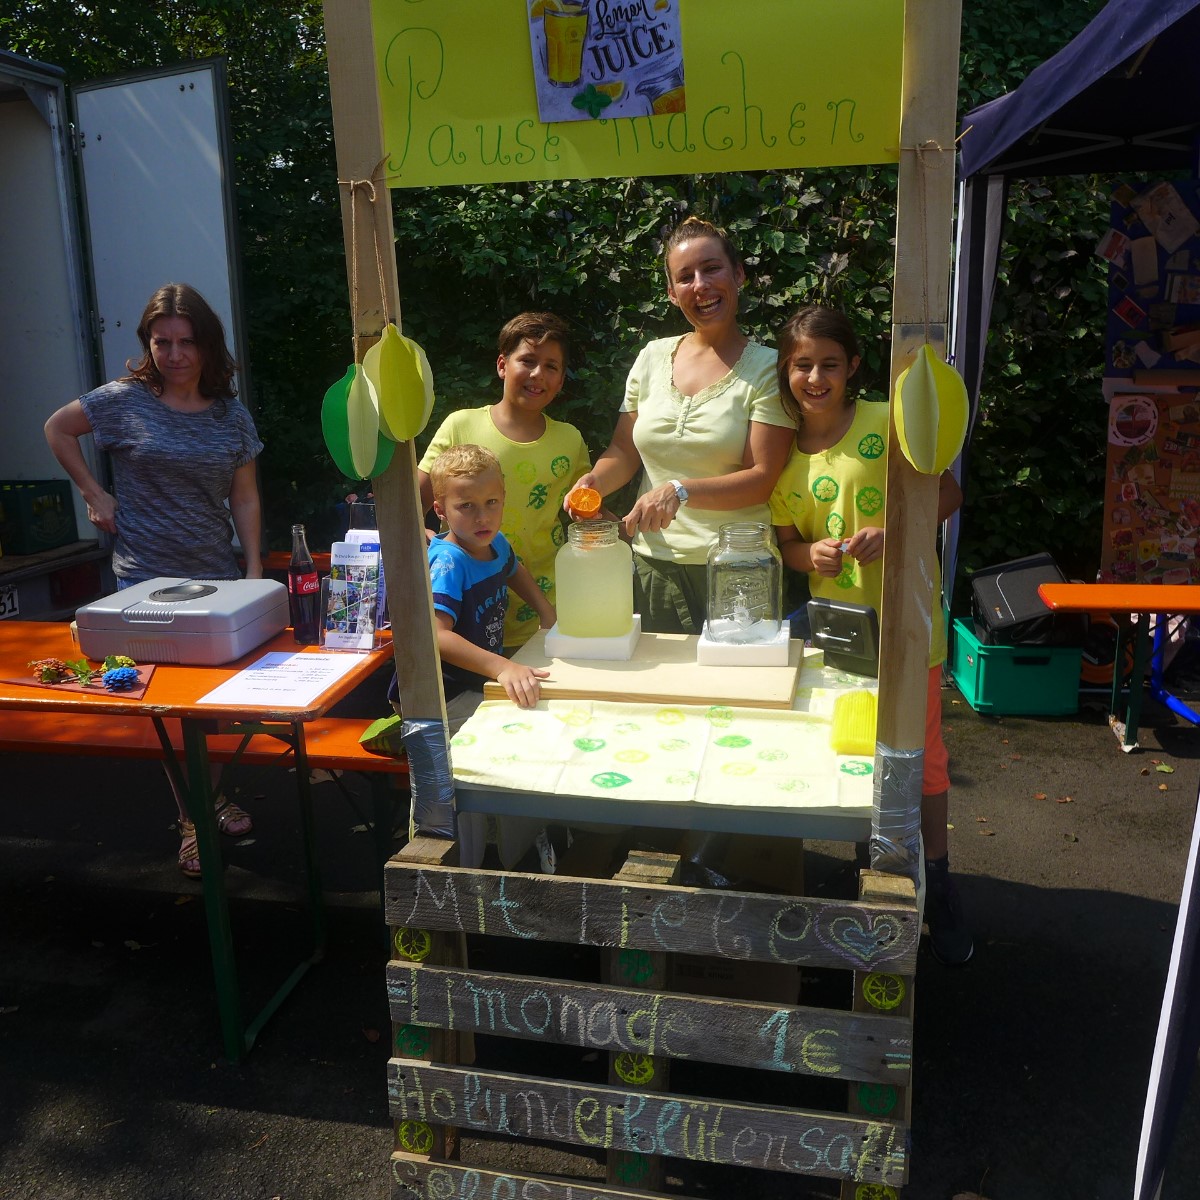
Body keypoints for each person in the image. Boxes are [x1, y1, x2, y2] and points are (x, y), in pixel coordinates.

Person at [768, 304, 973, 965]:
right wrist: (812, 558)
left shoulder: (889, 419)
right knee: (855, 752)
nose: (816, 377)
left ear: (853, 366)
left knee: (925, 762)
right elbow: (787, 545)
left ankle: (935, 882)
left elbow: (947, 496)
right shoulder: (782, 462)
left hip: (914, 627)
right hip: (843, 639)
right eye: (803, 366)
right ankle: (877, 868)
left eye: (829, 364)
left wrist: (900, 529)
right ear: (786, 372)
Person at [44, 283, 262, 877]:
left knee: (211, 707)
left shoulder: (229, 413)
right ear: (148, 344)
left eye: (187, 342)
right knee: (170, 708)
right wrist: (94, 492)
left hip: (216, 578)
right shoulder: (121, 401)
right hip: (143, 581)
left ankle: (207, 799)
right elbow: (57, 429)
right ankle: (195, 820)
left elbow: (244, 497)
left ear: (207, 345)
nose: (174, 354)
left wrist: (253, 569)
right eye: (161, 342)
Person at [567, 215, 794, 633]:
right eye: (685, 277)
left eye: (712, 268)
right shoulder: (652, 357)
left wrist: (678, 489)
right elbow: (623, 450)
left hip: (739, 566)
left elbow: (761, 477)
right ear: (672, 294)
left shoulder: (769, 368)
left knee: (739, 693)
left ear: (738, 274)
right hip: (653, 566)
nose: (700, 285)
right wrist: (594, 483)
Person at [420, 444, 557, 869]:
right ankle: (479, 859)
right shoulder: (448, 561)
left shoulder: (494, 542)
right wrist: (502, 666)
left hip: (478, 681)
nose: (482, 517)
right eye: (467, 506)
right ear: (440, 509)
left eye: (491, 503)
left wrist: (548, 613)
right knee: (514, 733)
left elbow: (513, 568)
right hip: (444, 692)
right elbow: (436, 636)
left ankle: (525, 840)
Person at [418, 313, 590, 649]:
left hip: (549, 612)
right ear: (502, 365)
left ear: (561, 380)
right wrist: (420, 536)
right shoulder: (460, 426)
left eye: (551, 366)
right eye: (527, 360)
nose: (538, 373)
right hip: (466, 618)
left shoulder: (570, 439)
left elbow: (586, 511)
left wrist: (626, 530)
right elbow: (413, 504)